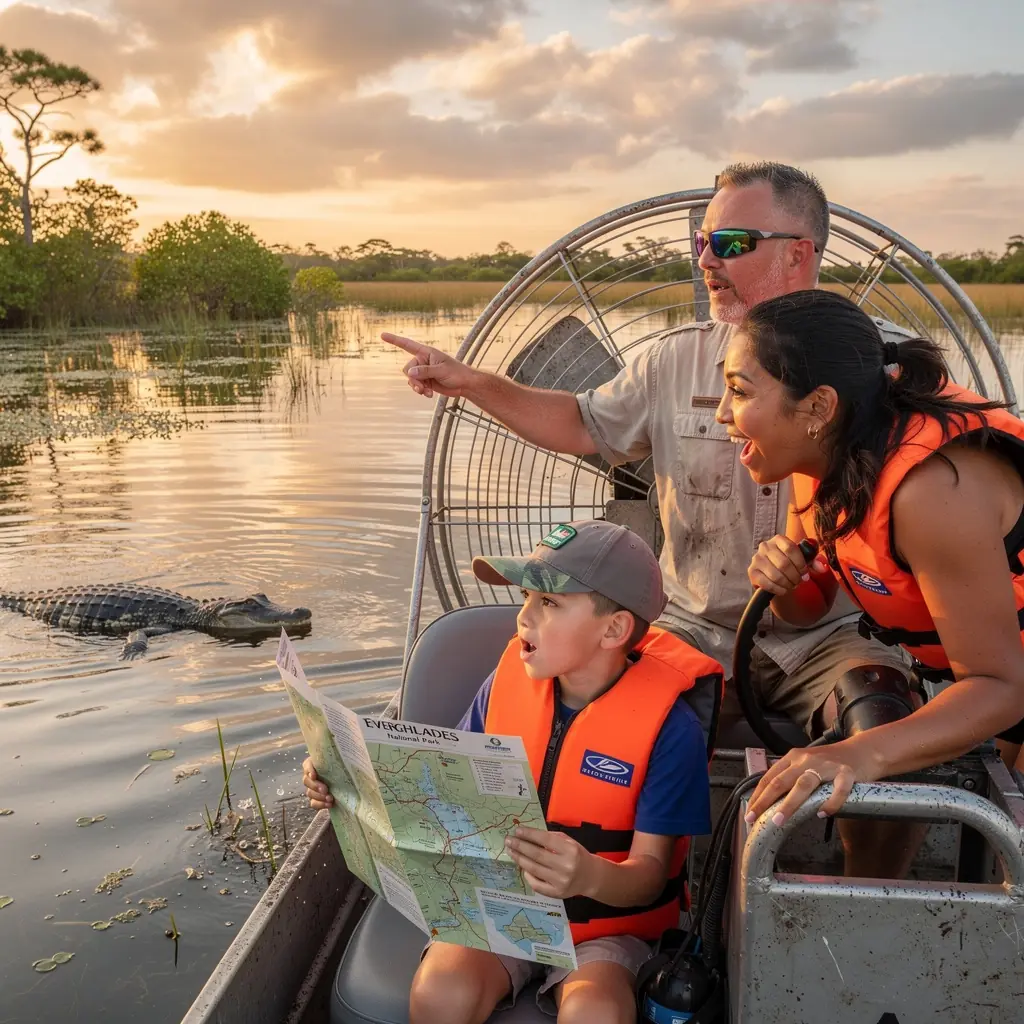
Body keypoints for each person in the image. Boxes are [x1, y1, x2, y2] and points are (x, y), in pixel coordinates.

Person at [381, 161, 919, 877]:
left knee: (888, 731)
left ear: (799, 253)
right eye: (701, 243)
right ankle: (616, 887)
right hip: (691, 626)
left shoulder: (880, 367)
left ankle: (861, 903)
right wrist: (470, 382)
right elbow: (581, 423)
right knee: (569, 703)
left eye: (729, 243)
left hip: (831, 635)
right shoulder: (673, 362)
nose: (705, 261)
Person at [304, 519, 719, 1023]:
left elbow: (650, 876)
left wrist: (590, 875)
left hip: (607, 930)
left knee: (595, 1014)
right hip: (500, 904)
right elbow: (440, 787)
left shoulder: (671, 730)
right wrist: (344, 777)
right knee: (440, 994)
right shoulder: (502, 686)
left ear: (613, 630)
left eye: (549, 602)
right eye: (526, 597)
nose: (523, 616)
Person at [713, 288, 1024, 828]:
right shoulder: (824, 452)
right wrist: (784, 581)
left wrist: (858, 754)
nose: (722, 413)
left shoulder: (931, 492)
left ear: (818, 406)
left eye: (738, 391)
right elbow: (806, 609)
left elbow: (1003, 687)